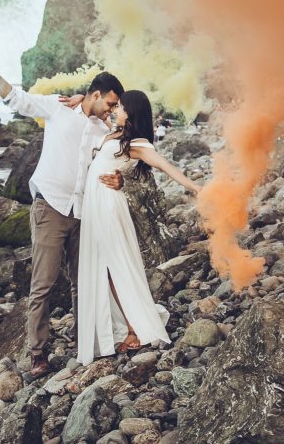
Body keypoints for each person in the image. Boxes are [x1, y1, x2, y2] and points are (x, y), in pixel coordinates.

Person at [0, 45, 125, 378]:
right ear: (96, 94)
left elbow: (122, 154)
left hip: (82, 211)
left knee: (81, 280)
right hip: (51, 207)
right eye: (110, 103)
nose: (111, 110)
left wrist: (119, 179)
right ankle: (38, 353)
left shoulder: (104, 130)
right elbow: (16, 98)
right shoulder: (58, 108)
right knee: (42, 284)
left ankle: (82, 338)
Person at [76, 89, 202, 365]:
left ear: (132, 113)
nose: (115, 111)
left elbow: (166, 167)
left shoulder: (136, 142)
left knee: (117, 264)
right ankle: (121, 327)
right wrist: (78, 99)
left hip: (109, 205)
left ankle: (135, 327)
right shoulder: (114, 134)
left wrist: (196, 187)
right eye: (116, 106)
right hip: (95, 205)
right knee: (104, 268)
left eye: (120, 107)